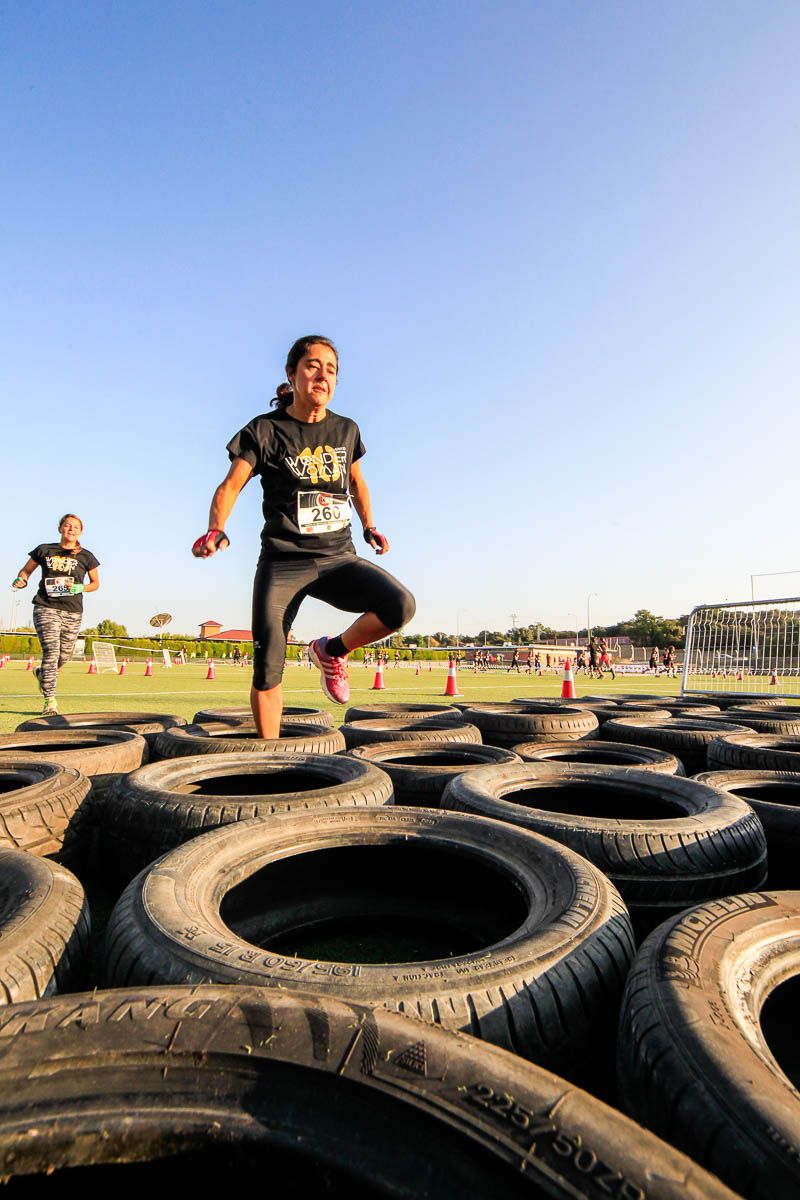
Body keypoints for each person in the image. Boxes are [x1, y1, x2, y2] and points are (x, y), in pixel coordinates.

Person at [194, 335, 416, 737]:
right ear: (292, 374)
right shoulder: (264, 430)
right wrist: (216, 528)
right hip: (283, 562)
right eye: (312, 366)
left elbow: (357, 482)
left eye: (331, 370)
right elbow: (229, 486)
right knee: (267, 669)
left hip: (338, 560)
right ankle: (272, 758)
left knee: (400, 606)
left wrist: (369, 525)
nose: (322, 375)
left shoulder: (346, 430)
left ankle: (331, 651)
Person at [12, 514, 100, 714]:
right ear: (60, 528)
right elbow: (25, 571)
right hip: (46, 607)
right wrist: (21, 580)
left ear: (80, 531)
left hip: (73, 610)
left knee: (64, 655)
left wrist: (81, 588)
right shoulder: (44, 550)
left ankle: (42, 674)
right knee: (51, 652)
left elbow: (96, 584)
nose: (71, 529)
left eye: (76, 526)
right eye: (67, 525)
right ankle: (50, 701)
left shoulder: (87, 556)